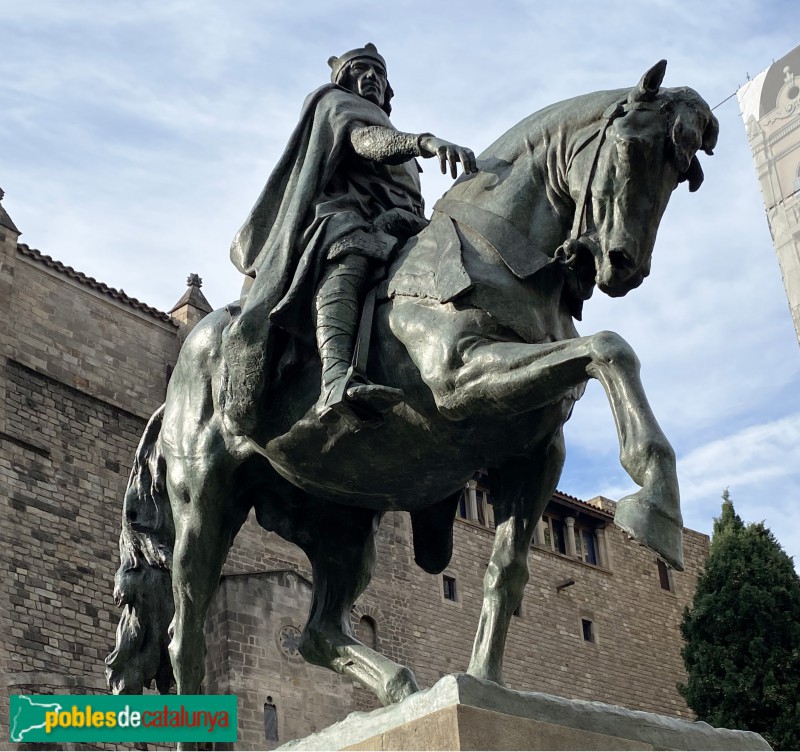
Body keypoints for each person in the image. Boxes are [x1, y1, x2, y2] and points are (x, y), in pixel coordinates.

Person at [222, 43, 478, 434]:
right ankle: (336, 379)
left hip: (396, 222)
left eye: (379, 72)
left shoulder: (390, 129)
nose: (372, 77)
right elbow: (365, 142)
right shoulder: (336, 104)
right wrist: (424, 142)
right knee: (351, 245)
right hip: (340, 217)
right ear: (345, 77)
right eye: (362, 69)